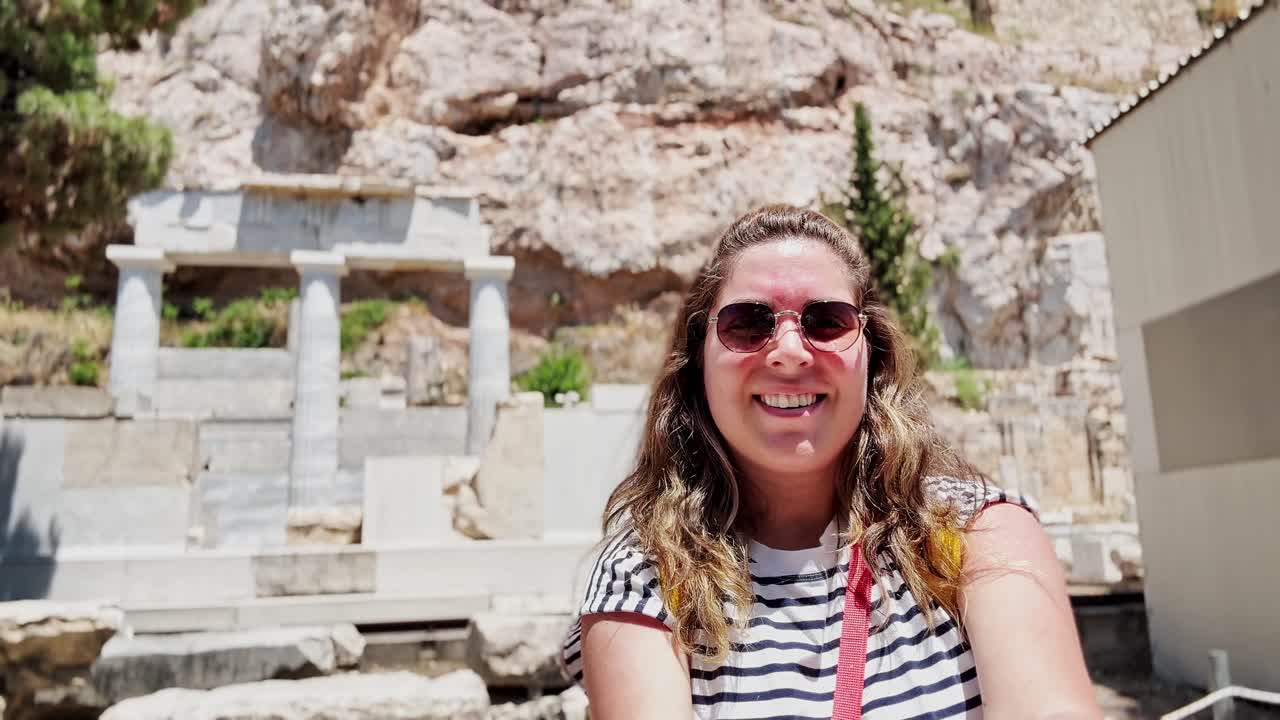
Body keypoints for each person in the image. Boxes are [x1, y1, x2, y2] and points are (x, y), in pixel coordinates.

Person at [560, 205, 1101, 719]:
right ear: (700, 356)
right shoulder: (642, 577)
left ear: (873, 353)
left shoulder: (981, 534)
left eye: (826, 321)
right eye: (748, 324)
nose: (790, 350)